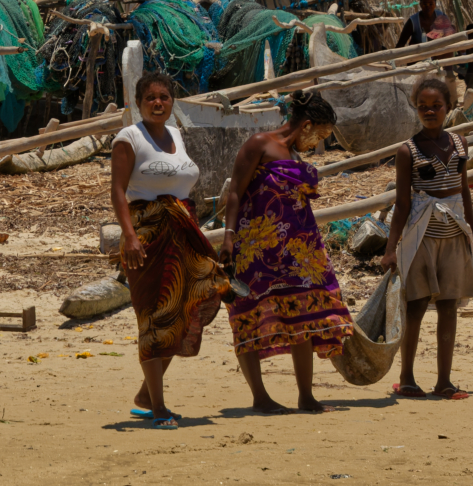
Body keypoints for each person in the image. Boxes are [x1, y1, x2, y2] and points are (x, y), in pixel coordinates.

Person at [222, 88, 355, 414]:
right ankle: (260, 397)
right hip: (256, 249)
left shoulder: (295, 157)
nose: (315, 145)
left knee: (304, 317)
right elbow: (235, 193)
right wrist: (228, 237)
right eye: (318, 136)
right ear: (306, 124)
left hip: (298, 252)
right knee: (248, 316)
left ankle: (306, 396)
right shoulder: (259, 144)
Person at [111, 71, 226, 429]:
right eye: (150, 98)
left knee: (197, 299)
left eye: (164, 97)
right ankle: (157, 407)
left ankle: (147, 394)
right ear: (138, 103)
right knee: (154, 317)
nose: (158, 103)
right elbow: (117, 191)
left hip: (182, 230)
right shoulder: (128, 137)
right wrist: (129, 236)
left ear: (172, 101)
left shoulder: (177, 134)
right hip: (146, 234)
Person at [380, 77, 473, 400]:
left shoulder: (460, 144)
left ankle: (444, 382)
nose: (429, 112)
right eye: (422, 107)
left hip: (453, 236)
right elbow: (402, 205)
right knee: (416, 306)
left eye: (436, 106)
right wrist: (390, 249)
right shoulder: (406, 151)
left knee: (450, 307)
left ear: (448, 107)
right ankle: (407, 378)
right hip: (421, 236)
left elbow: (464, 191)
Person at [394, 0, 473, 87]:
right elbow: (401, 43)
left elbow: (450, 37)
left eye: (431, 4)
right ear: (420, 5)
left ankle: (449, 77)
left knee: (448, 51)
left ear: (435, 4)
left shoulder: (441, 16)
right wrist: (394, 61)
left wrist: (461, 53)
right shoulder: (413, 21)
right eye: (425, 4)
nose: (428, 7)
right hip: (419, 56)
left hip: (438, 54)